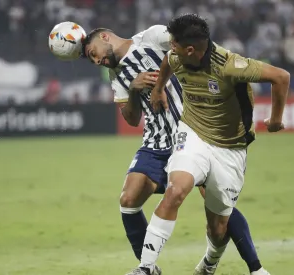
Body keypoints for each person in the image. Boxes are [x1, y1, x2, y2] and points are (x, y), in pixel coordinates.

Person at [81, 24, 265, 275]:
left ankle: (253, 267)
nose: (96, 61)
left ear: (105, 37)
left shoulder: (152, 37)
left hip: (193, 132)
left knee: (220, 212)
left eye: (93, 53)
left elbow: (192, 48)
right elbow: (132, 119)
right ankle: (148, 267)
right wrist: (135, 89)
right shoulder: (116, 75)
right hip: (156, 141)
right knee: (128, 199)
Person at [126, 14, 289, 275]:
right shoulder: (177, 55)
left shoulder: (230, 65)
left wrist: (276, 119)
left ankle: (209, 263)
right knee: (176, 190)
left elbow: (281, 76)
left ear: (190, 48)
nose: (170, 47)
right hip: (193, 133)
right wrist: (159, 88)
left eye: (174, 43)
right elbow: (168, 61)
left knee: (218, 226)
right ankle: (145, 267)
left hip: (230, 147)